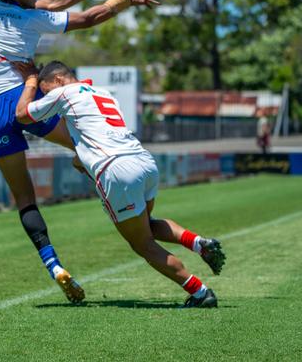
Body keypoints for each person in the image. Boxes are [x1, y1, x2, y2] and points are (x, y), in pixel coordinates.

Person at [0, 0, 165, 303]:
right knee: (84, 144)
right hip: (24, 100)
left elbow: (50, 4)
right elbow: (88, 19)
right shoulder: (29, 18)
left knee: (25, 199)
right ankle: (119, 193)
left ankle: (54, 266)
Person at [15, 61, 225, 308]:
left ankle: (200, 293)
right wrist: (82, 158)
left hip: (117, 170)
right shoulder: (103, 93)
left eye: (47, 89)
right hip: (143, 161)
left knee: (142, 243)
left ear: (59, 80)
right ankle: (198, 243)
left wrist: (30, 82)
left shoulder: (63, 92)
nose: (48, 96)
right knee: (145, 224)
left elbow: (21, 114)